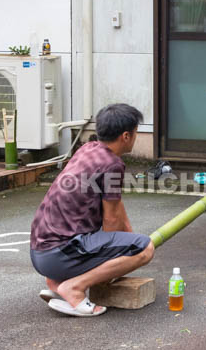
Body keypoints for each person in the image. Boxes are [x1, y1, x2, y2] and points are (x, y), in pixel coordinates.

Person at [29, 104, 155, 317]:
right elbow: (111, 219)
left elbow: (115, 203)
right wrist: (125, 251)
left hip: (40, 253)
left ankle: (57, 284)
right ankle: (74, 288)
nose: (135, 137)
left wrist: (128, 237)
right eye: (135, 132)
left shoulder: (88, 149)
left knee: (133, 243)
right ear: (126, 136)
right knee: (145, 249)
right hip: (59, 255)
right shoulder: (112, 164)